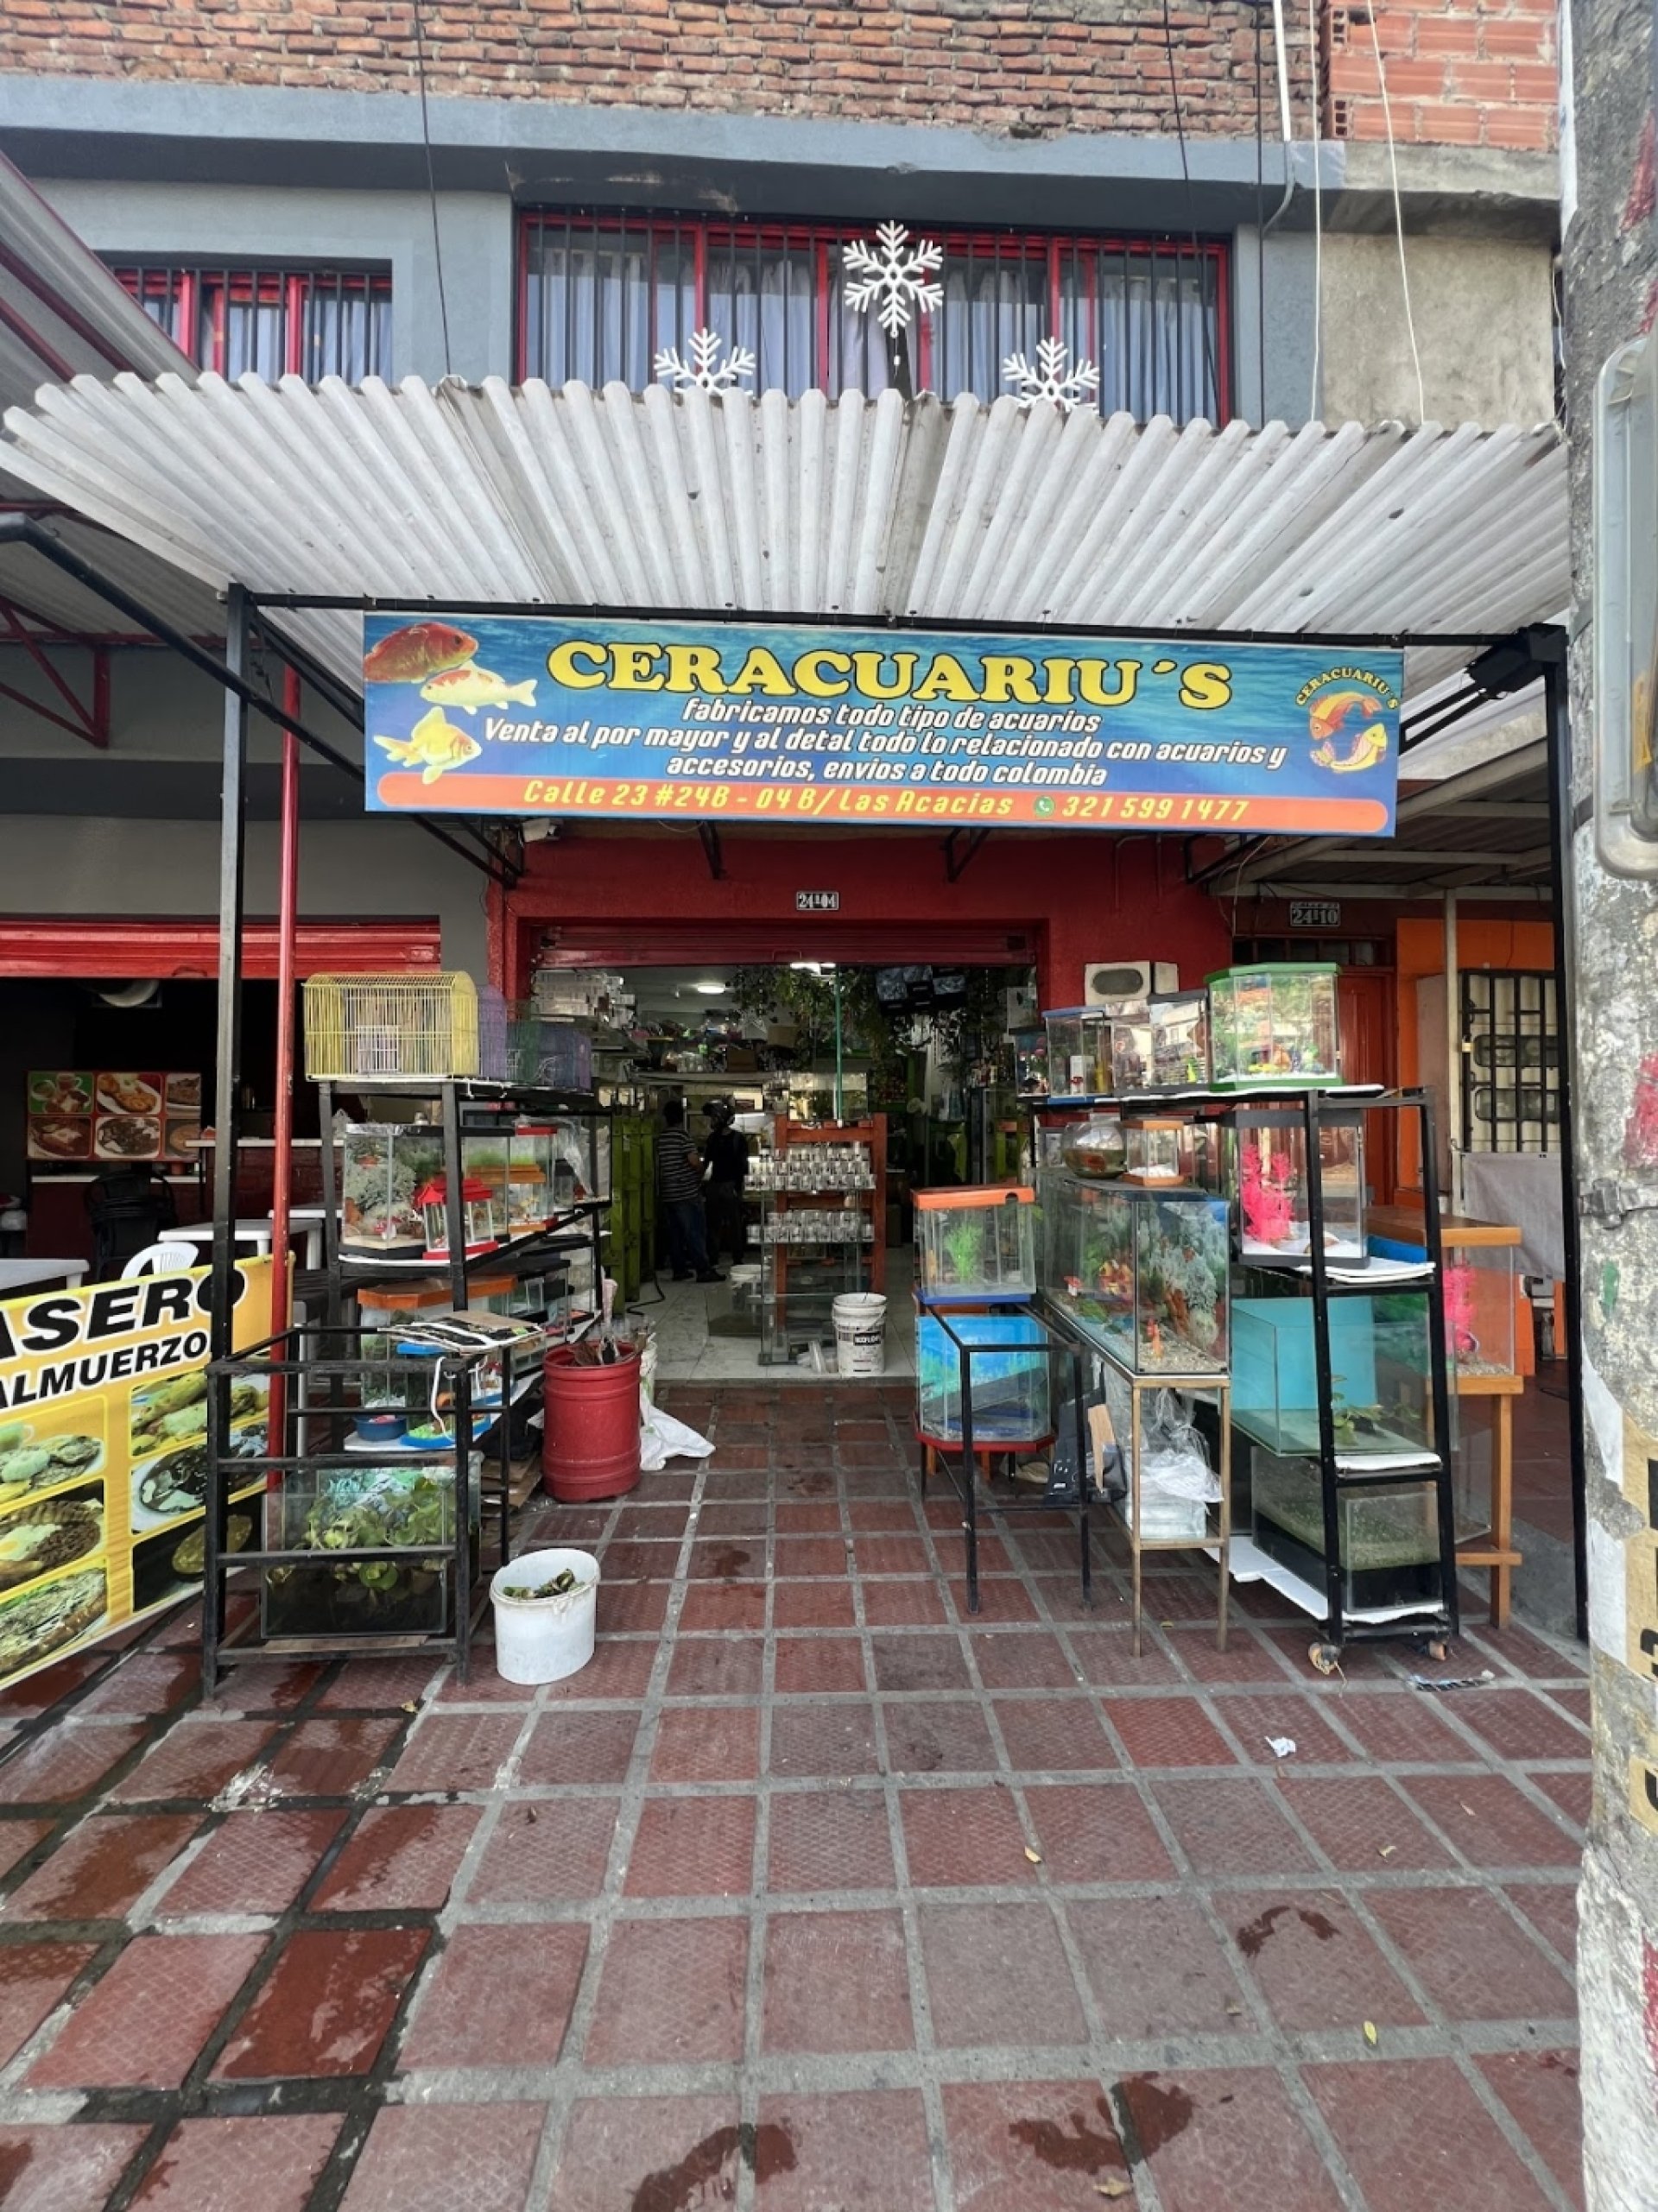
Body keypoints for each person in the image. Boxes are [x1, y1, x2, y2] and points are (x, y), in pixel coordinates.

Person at [657, 1098, 722, 1283]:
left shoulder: (662, 1138)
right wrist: (701, 1170)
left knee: (676, 1234)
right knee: (694, 1231)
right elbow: (693, 1161)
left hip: (668, 1193)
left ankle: (679, 1270)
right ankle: (703, 1270)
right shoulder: (682, 1136)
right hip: (685, 1192)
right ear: (681, 1116)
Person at [701, 1100, 750, 1265]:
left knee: (721, 1225)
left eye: (713, 1117)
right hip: (724, 1186)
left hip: (723, 1186)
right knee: (729, 1224)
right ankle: (731, 1258)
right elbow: (743, 1167)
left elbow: (706, 1163)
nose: (711, 1121)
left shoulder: (724, 1139)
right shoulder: (734, 1139)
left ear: (721, 1118)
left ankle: (721, 1258)